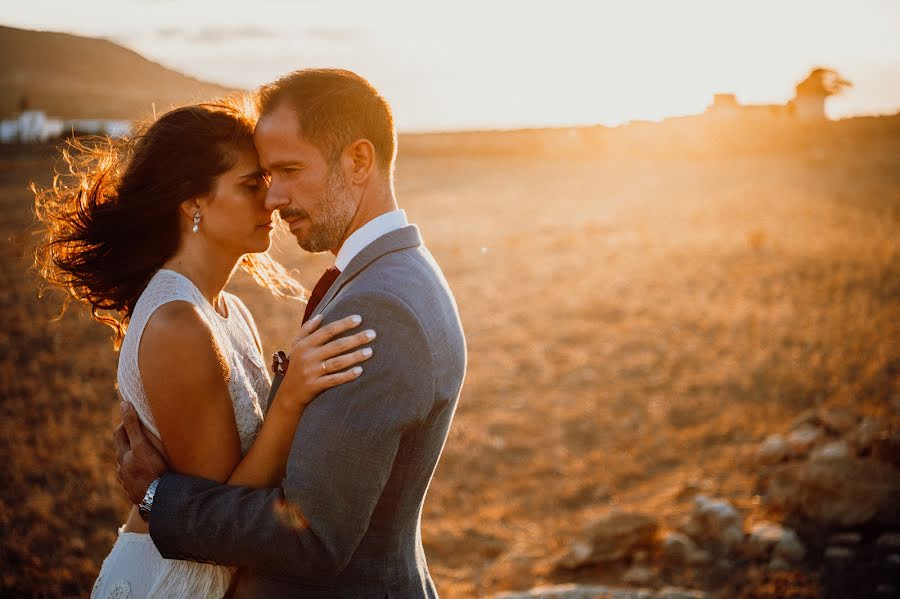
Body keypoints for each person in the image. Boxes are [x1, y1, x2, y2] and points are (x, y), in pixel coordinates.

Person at [115, 68, 467, 598]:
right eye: (261, 178)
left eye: (288, 171)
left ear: (358, 160)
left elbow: (312, 538)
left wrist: (158, 497)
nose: (274, 200)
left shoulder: (378, 304)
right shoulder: (392, 275)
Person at [33, 102, 374, 598]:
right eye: (250, 186)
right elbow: (218, 515)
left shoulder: (230, 310)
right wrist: (291, 396)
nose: (273, 201)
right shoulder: (178, 322)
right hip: (172, 581)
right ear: (193, 202)